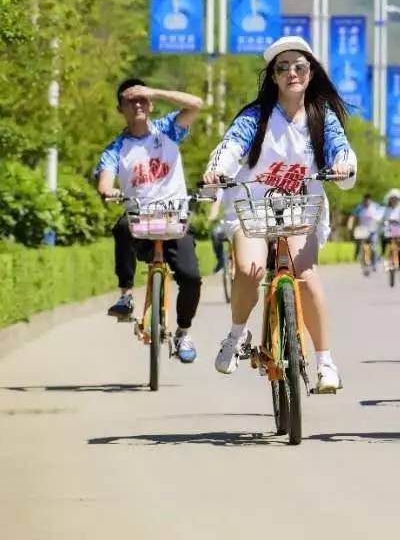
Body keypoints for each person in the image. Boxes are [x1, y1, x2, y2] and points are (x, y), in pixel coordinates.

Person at [203, 36, 357, 394]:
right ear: (272, 76)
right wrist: (216, 172)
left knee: (305, 275)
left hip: (301, 210)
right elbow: (229, 149)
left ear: (311, 73)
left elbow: (343, 153)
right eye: (282, 67)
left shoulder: (323, 118)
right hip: (253, 208)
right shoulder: (255, 117)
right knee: (249, 269)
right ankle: (237, 335)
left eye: (299, 66)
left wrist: (342, 166)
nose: (292, 73)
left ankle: (325, 361)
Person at [95, 79, 205, 363]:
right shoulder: (116, 148)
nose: (138, 104)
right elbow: (105, 179)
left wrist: (154, 90)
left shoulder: (168, 130)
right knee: (121, 227)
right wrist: (108, 190)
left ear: (151, 104)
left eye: (142, 99)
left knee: (191, 278)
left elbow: (196, 105)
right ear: (121, 108)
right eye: (130, 101)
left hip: (174, 220)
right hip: (140, 222)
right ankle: (126, 295)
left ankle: (183, 331)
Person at [347, 193, 381, 275]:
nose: (366, 203)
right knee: (361, 245)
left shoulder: (375, 207)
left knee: (373, 248)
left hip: (373, 230)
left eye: (368, 201)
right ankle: (359, 257)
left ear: (371, 201)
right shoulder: (359, 207)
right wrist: (350, 225)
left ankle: (374, 264)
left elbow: (381, 214)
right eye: (365, 201)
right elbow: (352, 216)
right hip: (363, 230)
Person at [382, 189, 400, 277]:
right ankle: (387, 260)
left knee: (399, 249)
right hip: (389, 231)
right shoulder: (386, 209)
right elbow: (381, 217)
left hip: (399, 231)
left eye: (396, 198)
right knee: (388, 245)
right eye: (392, 198)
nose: (394, 200)